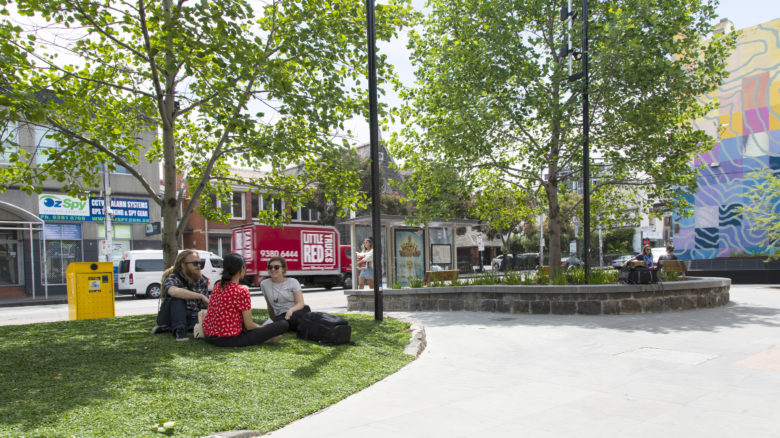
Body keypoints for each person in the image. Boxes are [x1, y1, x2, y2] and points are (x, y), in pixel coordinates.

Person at [202, 253, 289, 347]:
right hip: (227, 339)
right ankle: (267, 338)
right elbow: (249, 325)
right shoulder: (241, 290)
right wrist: (263, 329)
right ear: (241, 268)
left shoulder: (218, 285)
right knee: (283, 324)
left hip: (209, 336)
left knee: (272, 332)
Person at [152, 250, 210, 341]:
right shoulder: (172, 277)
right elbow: (174, 292)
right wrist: (201, 296)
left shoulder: (203, 280)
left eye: (200, 263)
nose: (199, 266)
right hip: (171, 315)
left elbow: (204, 305)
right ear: (183, 265)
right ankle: (180, 331)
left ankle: (168, 328)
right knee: (177, 298)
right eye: (195, 263)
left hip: (192, 316)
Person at [261, 257, 310, 332]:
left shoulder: (293, 282)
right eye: (270, 267)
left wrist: (290, 311)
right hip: (282, 316)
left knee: (290, 321)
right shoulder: (264, 284)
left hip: (296, 311)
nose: (273, 269)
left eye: (276, 267)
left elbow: (300, 303)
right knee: (282, 322)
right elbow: (270, 306)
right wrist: (273, 319)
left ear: (283, 269)